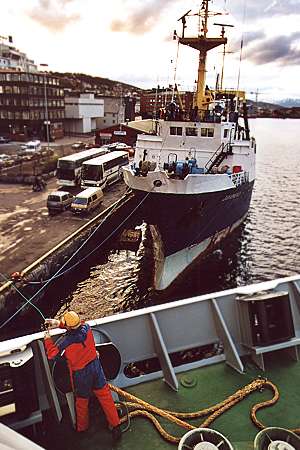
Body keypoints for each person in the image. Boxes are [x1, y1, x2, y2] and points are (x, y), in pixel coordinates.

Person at [44, 311, 121, 440]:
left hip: (81, 374)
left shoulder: (66, 341)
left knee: (81, 401)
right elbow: (73, 327)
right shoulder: (87, 328)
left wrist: (47, 340)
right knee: (105, 396)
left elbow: (52, 354)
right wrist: (57, 323)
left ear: (68, 326)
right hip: (96, 368)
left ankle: (82, 428)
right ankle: (116, 425)